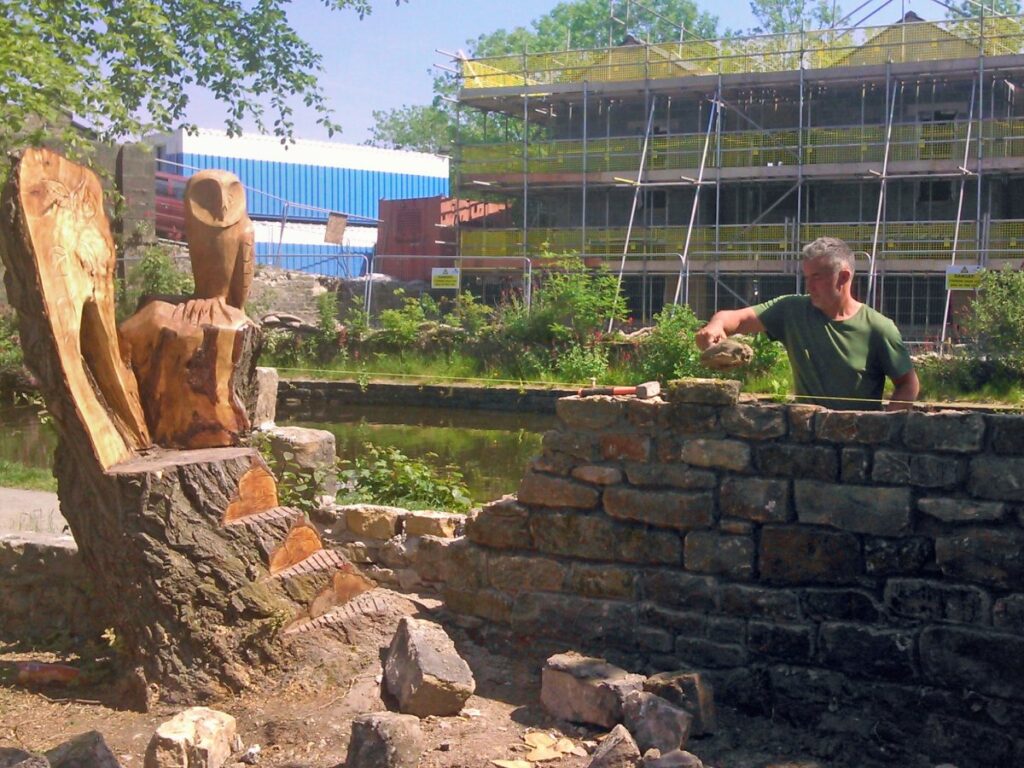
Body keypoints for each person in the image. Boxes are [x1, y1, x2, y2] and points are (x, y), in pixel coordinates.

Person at [695, 237, 920, 411]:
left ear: (843, 277)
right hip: (807, 443)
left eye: (817, 277)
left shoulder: (879, 328)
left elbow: (908, 384)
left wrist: (883, 429)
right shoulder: (791, 310)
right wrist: (716, 326)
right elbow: (735, 318)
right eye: (806, 277)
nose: (809, 286)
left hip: (856, 448)